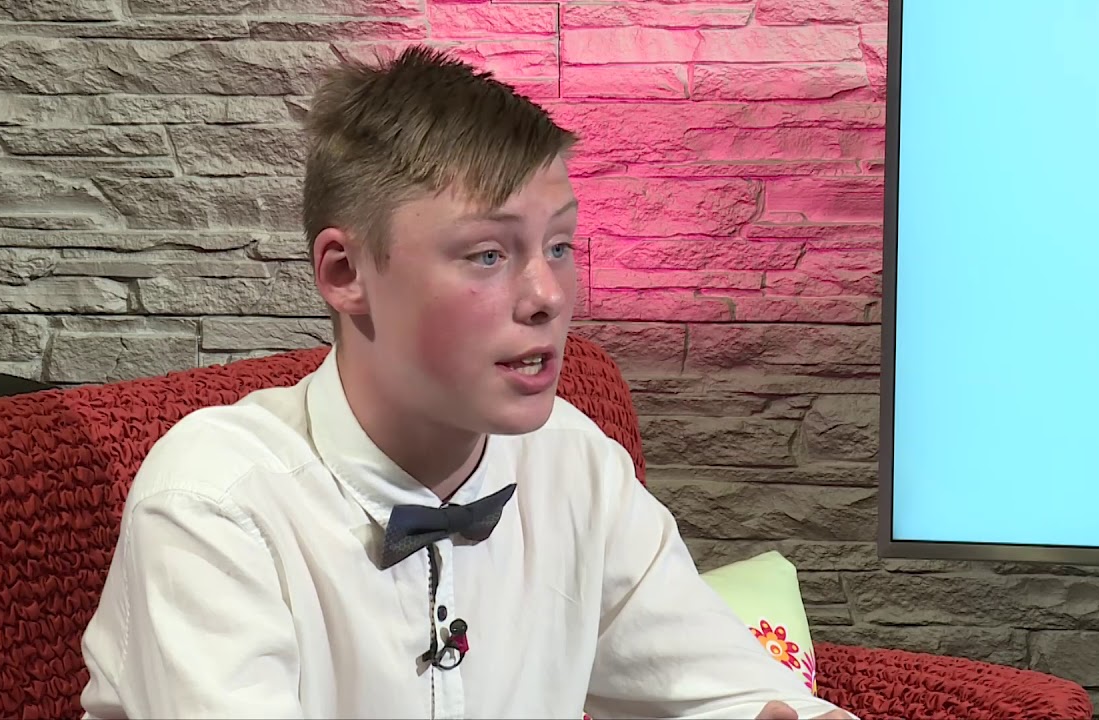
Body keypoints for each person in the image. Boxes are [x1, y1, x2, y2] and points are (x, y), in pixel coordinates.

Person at [78, 45, 857, 720]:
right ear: (345, 273)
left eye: (559, 246)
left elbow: (740, 695)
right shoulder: (215, 505)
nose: (548, 296)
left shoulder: (576, 465)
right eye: (488, 254)